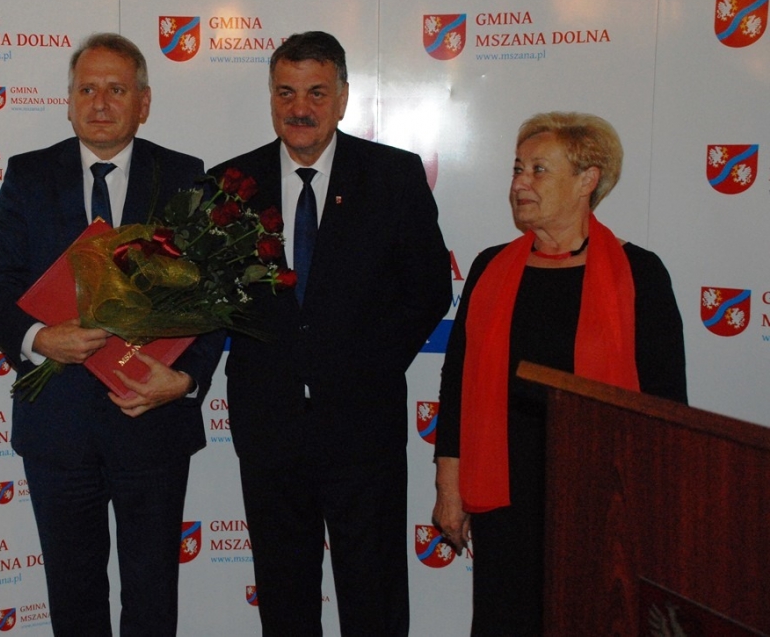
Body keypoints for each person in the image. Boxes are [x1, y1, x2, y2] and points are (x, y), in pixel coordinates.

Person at [0, 33, 224, 636]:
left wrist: (186, 380)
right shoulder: (29, 176)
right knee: (74, 602)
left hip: (152, 426)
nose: (101, 103)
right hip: (58, 431)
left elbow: (217, 300)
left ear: (144, 103)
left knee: (153, 602)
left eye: (116, 89)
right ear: (68, 102)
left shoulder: (185, 176)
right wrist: (39, 338)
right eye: (87, 89)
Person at [210, 31, 452, 636]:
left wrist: (365, 366)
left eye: (317, 93)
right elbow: (210, 301)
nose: (300, 108)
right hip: (268, 427)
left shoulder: (393, 176)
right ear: (271, 96)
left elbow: (428, 290)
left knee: (373, 600)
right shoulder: (227, 186)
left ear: (343, 97)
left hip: (362, 426)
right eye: (286, 92)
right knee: (284, 600)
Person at [432, 111, 688, 636]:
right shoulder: (489, 266)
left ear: (587, 180)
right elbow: (457, 382)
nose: (519, 183)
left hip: (603, 494)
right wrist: (448, 483)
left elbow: (666, 404)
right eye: (517, 169)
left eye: (538, 170)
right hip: (504, 489)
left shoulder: (639, 273)